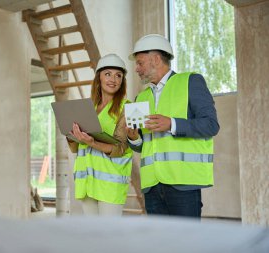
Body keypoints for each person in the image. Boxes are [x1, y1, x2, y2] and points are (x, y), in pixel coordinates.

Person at [126, 34, 219, 218]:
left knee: (186, 244)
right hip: (152, 186)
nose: (136, 69)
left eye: (140, 63)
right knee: (160, 244)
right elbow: (144, 146)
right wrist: (133, 137)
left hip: (183, 184)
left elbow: (211, 125)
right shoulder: (141, 98)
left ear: (155, 59)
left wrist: (171, 124)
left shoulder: (191, 82)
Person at [67, 54, 133, 216]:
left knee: (109, 237)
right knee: (93, 236)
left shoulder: (127, 107)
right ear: (99, 78)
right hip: (87, 181)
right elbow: (75, 148)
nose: (113, 79)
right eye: (108, 74)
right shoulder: (88, 107)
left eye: (118, 75)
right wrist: (71, 134)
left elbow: (121, 148)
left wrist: (92, 142)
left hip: (110, 184)